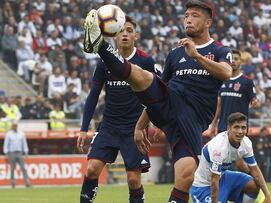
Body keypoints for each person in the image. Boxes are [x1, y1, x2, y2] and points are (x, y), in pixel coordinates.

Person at [82, 1, 232, 202]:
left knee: (186, 176)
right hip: (169, 102)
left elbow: (226, 73)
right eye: (187, 15)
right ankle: (99, 45)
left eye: (195, 15)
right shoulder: (175, 53)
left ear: (208, 22)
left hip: (191, 118)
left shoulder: (219, 50)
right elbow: (160, 87)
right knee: (143, 77)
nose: (188, 18)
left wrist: (196, 56)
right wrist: (140, 125)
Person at [77, 16, 155, 203]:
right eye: (121, 31)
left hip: (134, 129)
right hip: (109, 126)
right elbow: (93, 95)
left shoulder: (145, 61)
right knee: (91, 169)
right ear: (114, 34)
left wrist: (156, 123)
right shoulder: (105, 62)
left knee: (133, 180)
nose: (125, 34)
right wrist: (83, 128)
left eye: (129, 30)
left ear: (135, 35)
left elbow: (155, 96)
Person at [190, 112, 271, 203]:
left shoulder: (246, 143)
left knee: (254, 185)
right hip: (203, 186)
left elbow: (255, 170)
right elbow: (214, 180)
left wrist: (267, 195)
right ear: (228, 128)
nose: (240, 132)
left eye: (243, 128)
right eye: (236, 127)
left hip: (223, 177)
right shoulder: (219, 147)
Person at [206, 49, 259, 137]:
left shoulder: (247, 82)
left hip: (240, 129)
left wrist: (255, 103)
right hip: (223, 128)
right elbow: (219, 105)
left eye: (236, 59)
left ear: (241, 62)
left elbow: (254, 101)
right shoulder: (221, 80)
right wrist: (214, 124)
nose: (233, 61)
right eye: (231, 59)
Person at [3, 122, 30, 188]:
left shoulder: (21, 134)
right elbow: (6, 144)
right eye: (13, 126)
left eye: (15, 126)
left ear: (17, 126)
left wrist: (26, 152)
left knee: (23, 168)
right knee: (12, 168)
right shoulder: (9, 134)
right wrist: (6, 153)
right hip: (11, 153)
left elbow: (24, 143)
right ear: (12, 126)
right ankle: (13, 182)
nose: (14, 127)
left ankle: (27, 182)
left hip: (19, 152)